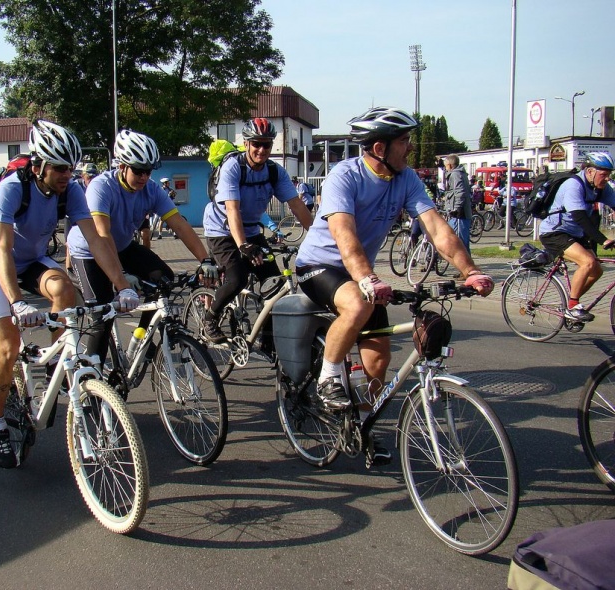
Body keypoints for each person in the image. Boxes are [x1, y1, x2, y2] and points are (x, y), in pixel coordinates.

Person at [293, 107, 494, 455]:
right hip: (319, 265)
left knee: (379, 361)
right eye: (404, 141)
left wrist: (470, 271)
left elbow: (436, 228)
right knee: (358, 303)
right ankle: (328, 378)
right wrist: (368, 278)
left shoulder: (406, 178)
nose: (411, 148)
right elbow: (344, 234)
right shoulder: (345, 175)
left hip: (359, 275)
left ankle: (361, 426)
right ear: (380, 148)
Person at [0, 120, 135, 469]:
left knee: (64, 290)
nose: (66, 175)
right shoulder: (12, 189)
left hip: (31, 260)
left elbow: (96, 240)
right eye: (60, 168)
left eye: (70, 169)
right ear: (38, 166)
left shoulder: (71, 190)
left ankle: (54, 371)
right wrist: (16, 301)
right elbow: (2, 248)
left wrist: (123, 286)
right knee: (8, 345)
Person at [67, 129, 217, 362]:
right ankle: (91, 381)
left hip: (123, 246)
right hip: (89, 251)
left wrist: (205, 260)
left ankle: (141, 338)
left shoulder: (152, 190)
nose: (144, 177)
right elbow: (102, 235)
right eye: (138, 170)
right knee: (103, 315)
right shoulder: (101, 187)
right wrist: (122, 279)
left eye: (148, 171)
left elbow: (179, 225)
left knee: (163, 280)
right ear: (121, 166)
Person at [202, 117, 312, 346]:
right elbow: (232, 209)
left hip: (251, 229)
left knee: (274, 285)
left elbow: (296, 205)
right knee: (237, 279)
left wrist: (319, 235)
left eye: (267, 145)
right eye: (256, 144)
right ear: (247, 144)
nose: (262, 150)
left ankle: (268, 339)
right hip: (221, 230)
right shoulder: (234, 167)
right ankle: (210, 318)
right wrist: (243, 245)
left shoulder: (274, 171)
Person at [538, 152, 615, 322]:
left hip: (575, 233)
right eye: (603, 174)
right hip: (554, 232)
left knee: (597, 271)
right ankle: (572, 307)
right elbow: (580, 217)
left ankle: (572, 301)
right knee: (588, 262)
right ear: (589, 171)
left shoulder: (601, 188)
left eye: (609, 175)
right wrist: (604, 240)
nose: (607, 179)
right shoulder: (573, 185)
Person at [442, 154, 472, 257]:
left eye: (446, 166)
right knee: (459, 242)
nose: (445, 168)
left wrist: (456, 209)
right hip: (460, 213)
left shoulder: (455, 174)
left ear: (450, 165)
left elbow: (460, 192)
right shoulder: (461, 173)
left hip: (460, 214)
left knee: (460, 243)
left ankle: (466, 270)